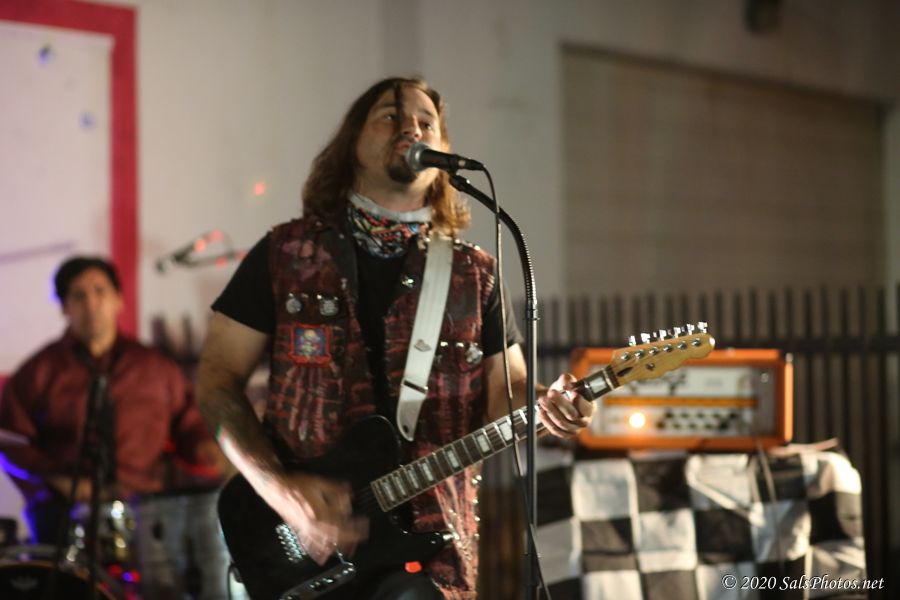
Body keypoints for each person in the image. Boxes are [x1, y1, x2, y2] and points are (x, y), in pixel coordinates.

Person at [196, 76, 594, 599]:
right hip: (307, 546)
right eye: (390, 116)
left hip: (432, 548)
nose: (411, 128)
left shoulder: (475, 276)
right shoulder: (285, 255)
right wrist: (281, 492)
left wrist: (547, 404)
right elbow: (216, 380)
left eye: (426, 122)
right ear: (351, 144)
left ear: (442, 152)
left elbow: (508, 390)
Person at [0, 256, 225, 545]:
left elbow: (190, 425)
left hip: (147, 511)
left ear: (118, 300)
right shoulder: (39, 371)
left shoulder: (155, 367)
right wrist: (57, 480)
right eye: (78, 295)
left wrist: (205, 448)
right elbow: (10, 441)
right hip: (64, 514)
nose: (91, 303)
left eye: (100, 291)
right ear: (64, 307)